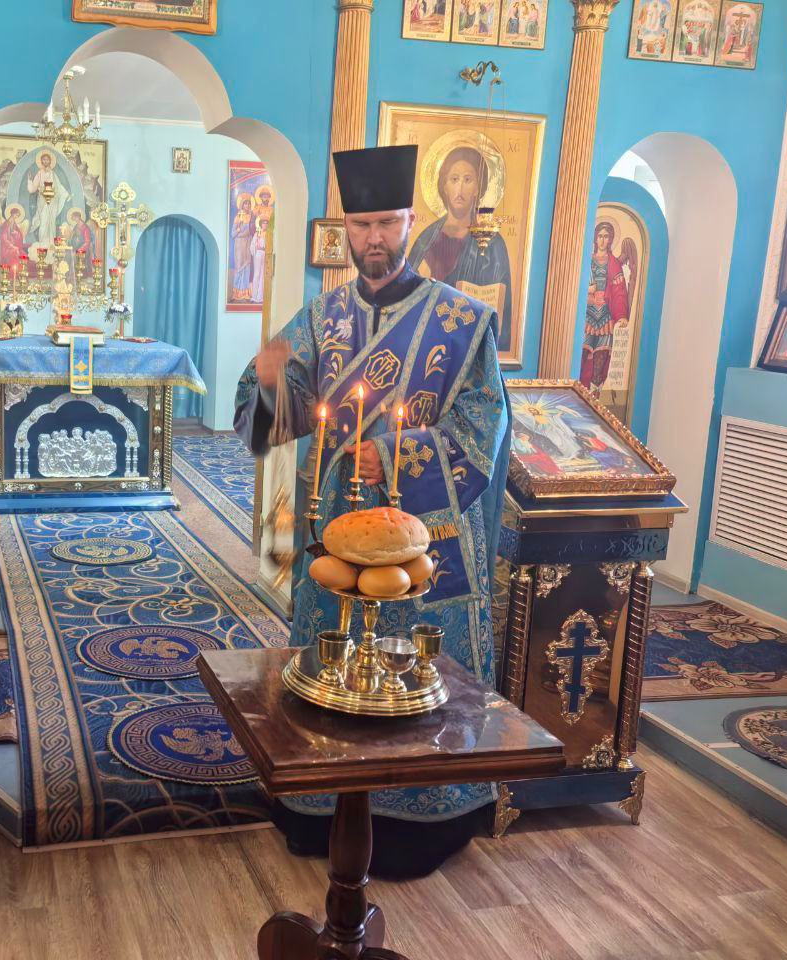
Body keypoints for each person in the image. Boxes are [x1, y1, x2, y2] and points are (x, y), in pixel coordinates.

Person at [235, 145, 510, 879]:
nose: (375, 239)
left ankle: (422, 821)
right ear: (346, 230)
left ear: (411, 221)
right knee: (330, 673)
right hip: (336, 529)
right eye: (361, 226)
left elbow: (483, 431)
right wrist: (269, 384)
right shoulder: (322, 317)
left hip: (427, 541)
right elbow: (270, 416)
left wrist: (395, 456)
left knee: (414, 677)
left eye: (387, 222)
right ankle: (318, 808)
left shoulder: (462, 320)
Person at [407, 144, 514, 349]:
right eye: (454, 179)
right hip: (428, 343)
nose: (460, 188)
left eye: (468, 179)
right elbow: (409, 298)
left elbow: (501, 309)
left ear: (478, 188)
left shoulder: (493, 243)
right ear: (444, 187)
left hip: (472, 343)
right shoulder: (426, 240)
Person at [580, 221, 633, 391]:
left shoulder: (614, 263)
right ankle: (578, 394)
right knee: (580, 359)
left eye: (606, 236)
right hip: (586, 317)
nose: (603, 240)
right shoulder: (586, 260)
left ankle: (594, 400)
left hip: (605, 319)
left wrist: (622, 315)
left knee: (600, 362)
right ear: (595, 238)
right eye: (600, 236)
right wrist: (588, 293)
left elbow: (619, 291)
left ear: (610, 239)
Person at [25, 149, 70, 248]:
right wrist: (29, 180)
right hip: (42, 200)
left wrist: (65, 194)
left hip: (52, 201)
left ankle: (51, 244)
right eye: (44, 159)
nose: (45, 161)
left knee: (51, 222)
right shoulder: (40, 173)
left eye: (47, 159)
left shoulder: (53, 174)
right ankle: (42, 245)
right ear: (41, 161)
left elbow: (59, 186)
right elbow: (32, 189)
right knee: (44, 221)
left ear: (50, 161)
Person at [230, 193, 256, 301]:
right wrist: (239, 230)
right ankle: (236, 294)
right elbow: (233, 234)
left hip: (248, 243)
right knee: (239, 267)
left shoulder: (252, 217)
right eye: (246, 203)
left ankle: (245, 294)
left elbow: (254, 230)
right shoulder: (238, 217)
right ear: (242, 205)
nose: (248, 205)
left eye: (249, 204)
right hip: (239, 244)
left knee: (247, 267)